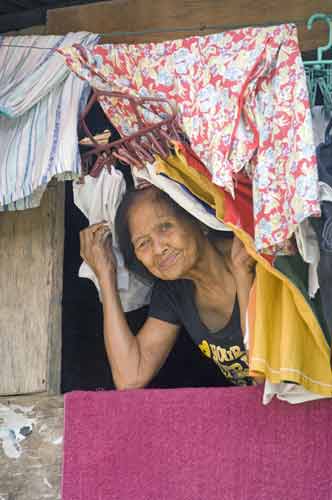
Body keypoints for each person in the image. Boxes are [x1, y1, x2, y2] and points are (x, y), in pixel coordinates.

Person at [80, 185, 256, 389]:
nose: (158, 249)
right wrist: (106, 275)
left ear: (197, 219)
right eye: (143, 243)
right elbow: (130, 376)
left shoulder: (249, 258)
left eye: (165, 227)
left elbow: (266, 372)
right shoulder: (173, 291)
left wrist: (244, 279)